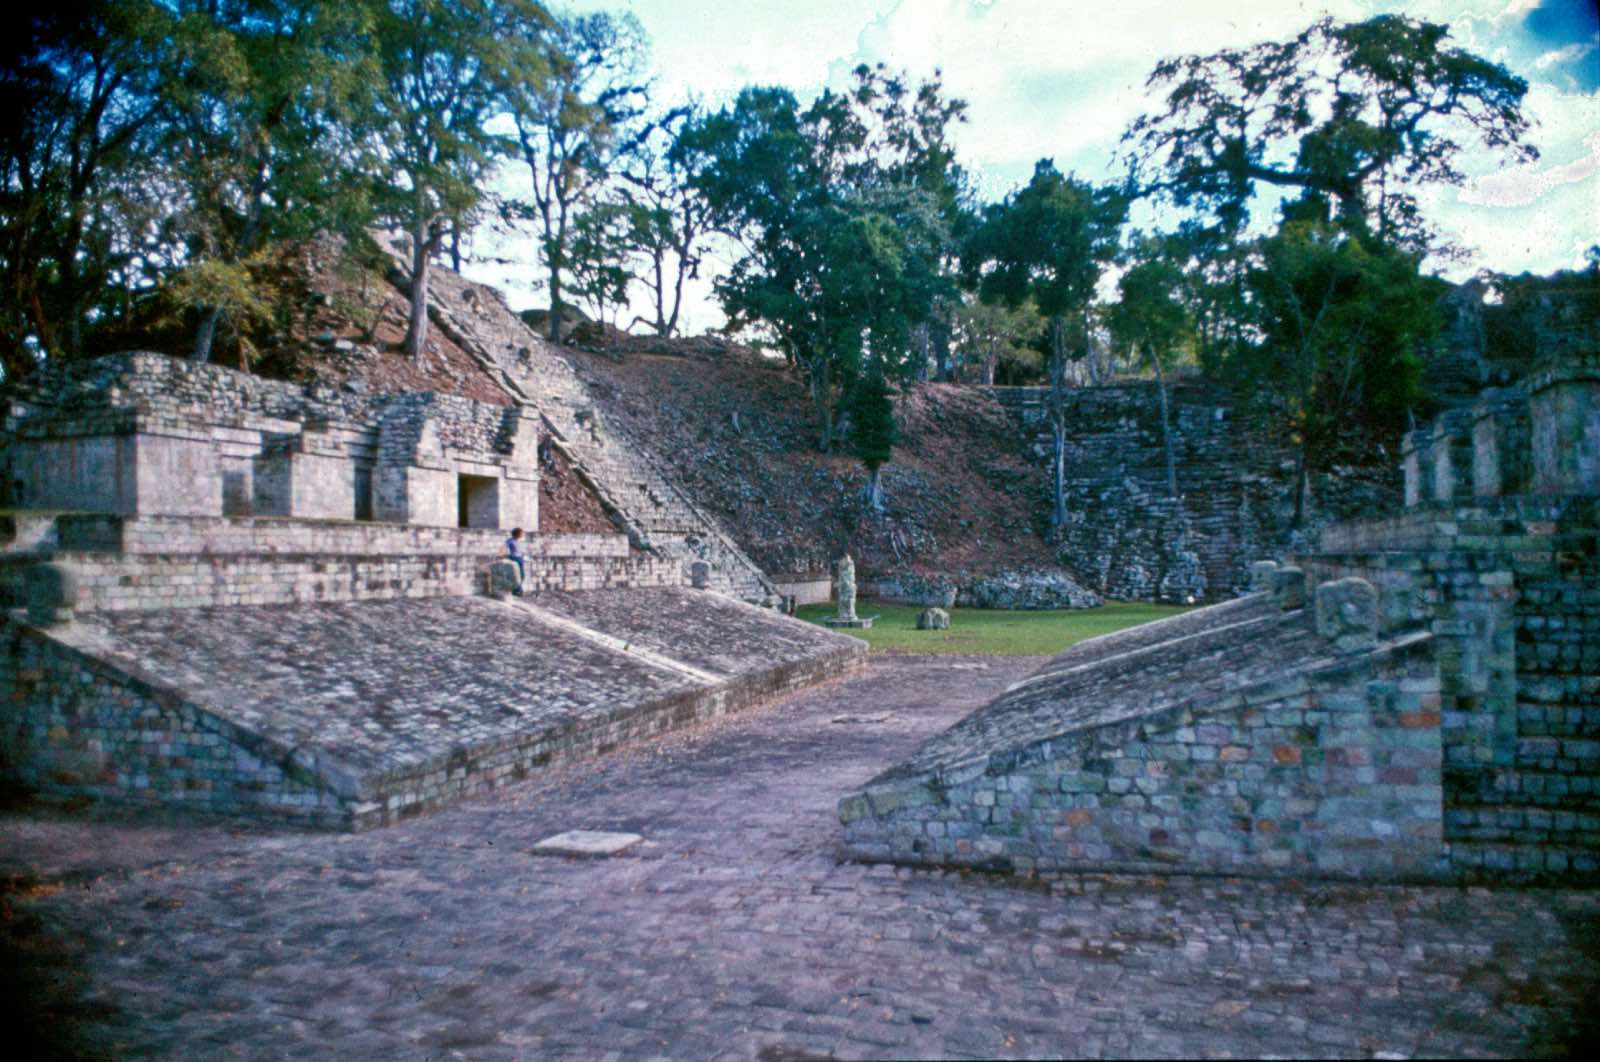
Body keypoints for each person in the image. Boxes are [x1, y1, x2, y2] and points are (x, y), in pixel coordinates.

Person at [505, 527, 527, 595]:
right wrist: (507, 556)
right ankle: (518, 590)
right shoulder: (510, 541)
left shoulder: (519, 541)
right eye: (521, 533)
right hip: (514, 558)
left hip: (520, 558)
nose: (522, 535)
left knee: (522, 575)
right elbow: (504, 548)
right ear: (517, 534)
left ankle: (516, 589)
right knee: (516, 574)